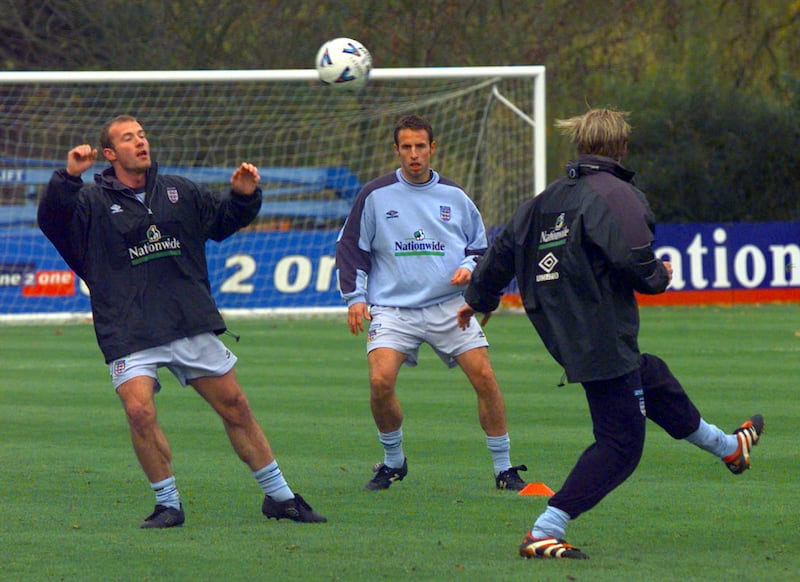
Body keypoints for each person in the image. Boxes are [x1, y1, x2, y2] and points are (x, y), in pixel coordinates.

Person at [457, 108, 764, 559]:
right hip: (597, 331)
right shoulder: (617, 194)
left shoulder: (544, 199)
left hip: (568, 329)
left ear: (579, 146)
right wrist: (659, 276)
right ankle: (545, 528)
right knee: (621, 445)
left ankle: (728, 448)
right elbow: (634, 260)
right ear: (621, 147)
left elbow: (503, 250)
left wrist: (478, 299)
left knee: (651, 376)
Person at [38, 115, 326, 528]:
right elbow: (52, 219)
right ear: (109, 153)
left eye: (141, 135)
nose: (140, 142)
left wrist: (244, 196)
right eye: (127, 138)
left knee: (237, 407)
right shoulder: (90, 202)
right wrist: (68, 176)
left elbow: (223, 222)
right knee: (139, 411)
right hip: (129, 327)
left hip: (186, 319)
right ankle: (168, 504)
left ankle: (280, 497)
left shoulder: (178, 190)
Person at [335, 114, 528, 491]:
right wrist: (355, 298)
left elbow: (479, 247)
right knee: (380, 381)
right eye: (406, 147)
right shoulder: (375, 195)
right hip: (393, 309)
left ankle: (504, 469)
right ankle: (393, 463)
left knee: (486, 378)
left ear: (432, 148)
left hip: (450, 308)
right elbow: (351, 247)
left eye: (420, 146)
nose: (414, 155)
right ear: (396, 151)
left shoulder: (455, 196)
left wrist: (469, 268)